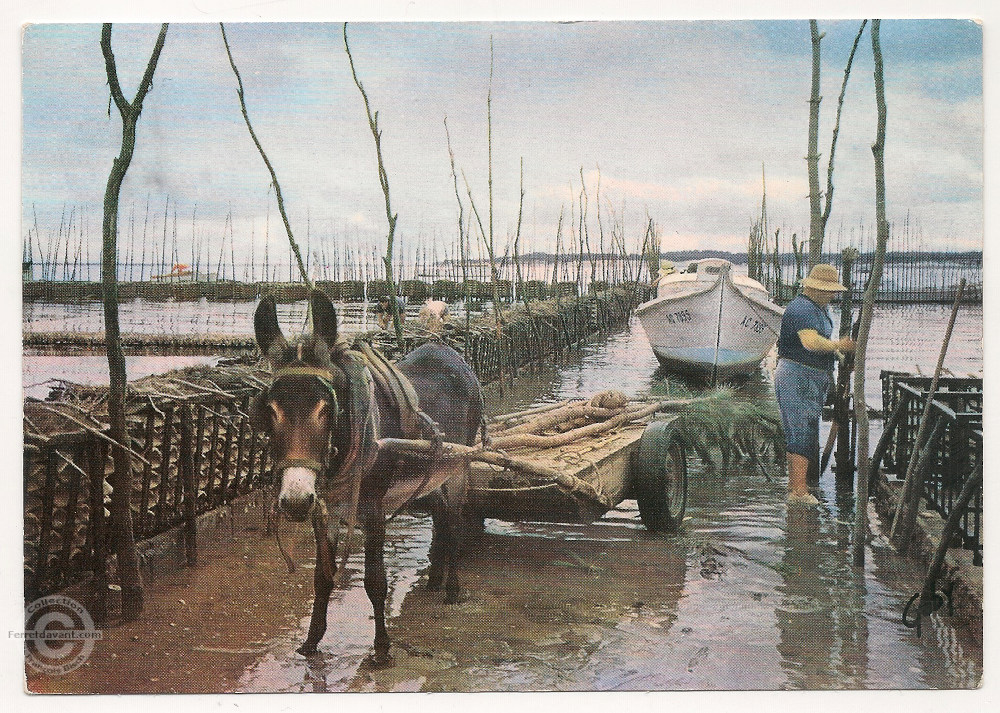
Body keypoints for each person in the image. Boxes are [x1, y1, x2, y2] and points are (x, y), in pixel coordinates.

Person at [775, 264, 855, 505]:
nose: (832, 295)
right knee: (801, 431)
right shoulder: (801, 309)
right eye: (829, 291)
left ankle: (796, 486)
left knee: (804, 430)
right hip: (797, 376)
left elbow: (822, 342)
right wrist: (839, 346)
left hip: (811, 377)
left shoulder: (820, 308)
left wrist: (838, 356)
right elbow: (810, 342)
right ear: (815, 288)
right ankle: (799, 492)